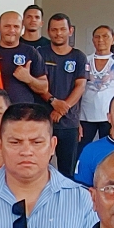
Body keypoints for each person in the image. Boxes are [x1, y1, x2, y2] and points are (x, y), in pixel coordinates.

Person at [30, 11, 90, 180]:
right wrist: (52, 101)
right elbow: (36, 83)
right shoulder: (40, 53)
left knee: (67, 172)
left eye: (62, 29)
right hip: (43, 122)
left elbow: (80, 86)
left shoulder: (79, 56)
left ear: (70, 31)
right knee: (39, 170)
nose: (58, 33)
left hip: (69, 123)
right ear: (48, 32)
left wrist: (62, 109)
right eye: (54, 30)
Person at [80, 25, 114, 145]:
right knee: (81, 150)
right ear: (92, 40)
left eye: (105, 36)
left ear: (113, 39)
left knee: (109, 149)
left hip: (108, 116)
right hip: (85, 115)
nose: (101, 40)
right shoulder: (85, 60)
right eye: (97, 37)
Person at [0, 10, 40, 106]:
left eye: (16, 26)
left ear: (22, 28)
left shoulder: (30, 52)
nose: (12, 30)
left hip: (23, 111)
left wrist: (29, 79)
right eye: (7, 26)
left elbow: (44, 88)